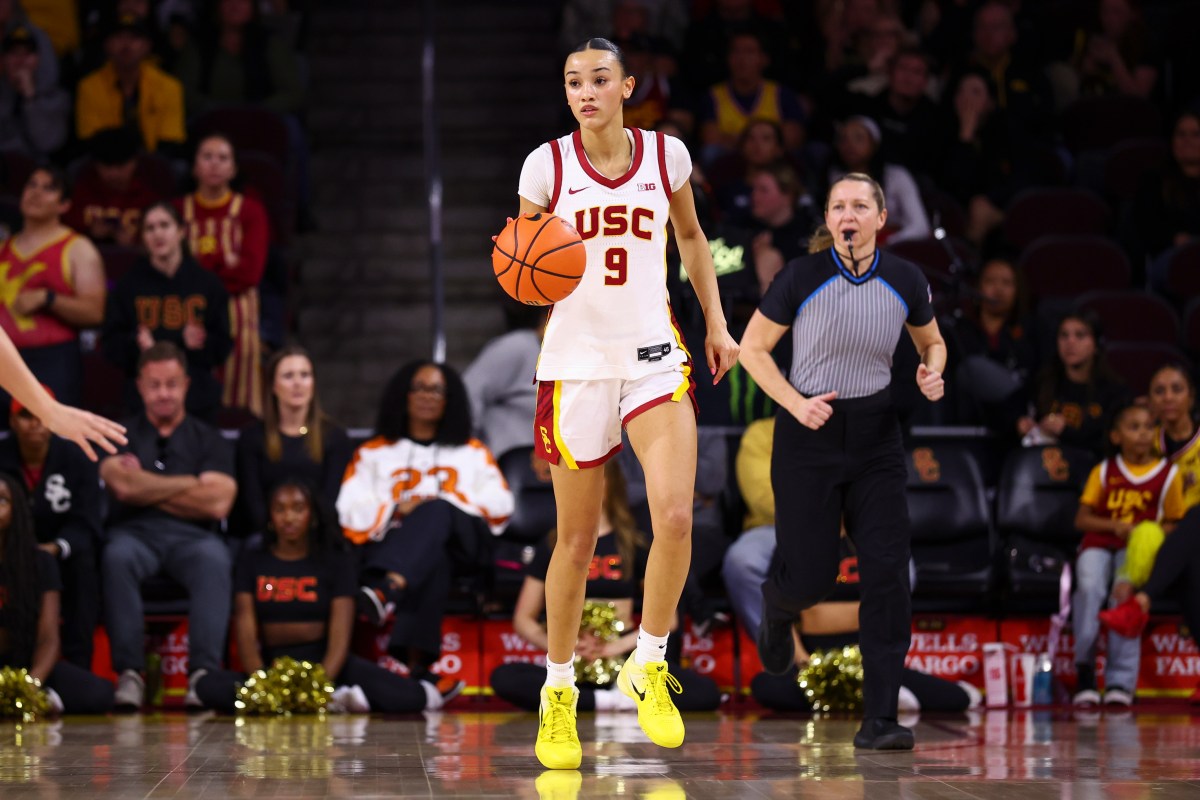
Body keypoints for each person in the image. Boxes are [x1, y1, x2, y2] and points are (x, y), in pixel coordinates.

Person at [513, 37, 739, 769]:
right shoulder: (544, 165)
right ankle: (558, 692)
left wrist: (716, 322)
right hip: (575, 363)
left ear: (626, 87)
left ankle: (649, 657)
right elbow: (524, 265)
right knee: (576, 544)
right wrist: (524, 270)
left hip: (651, 354)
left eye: (599, 79)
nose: (585, 91)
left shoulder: (666, 155)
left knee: (675, 513)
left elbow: (693, 239)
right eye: (574, 81)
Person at [737, 172, 946, 750]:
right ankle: (778, 608)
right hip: (809, 433)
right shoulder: (800, 276)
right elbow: (751, 350)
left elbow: (931, 341)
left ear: (881, 218)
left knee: (886, 573)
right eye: (837, 207)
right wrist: (795, 404)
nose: (847, 215)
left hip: (877, 434)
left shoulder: (906, 277)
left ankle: (879, 718)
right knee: (813, 574)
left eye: (859, 205)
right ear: (828, 220)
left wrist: (932, 369)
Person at [194, 479, 462, 714]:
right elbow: (246, 632)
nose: (289, 518)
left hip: (330, 665)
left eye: (298, 509)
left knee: (412, 697)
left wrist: (317, 684)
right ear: (269, 517)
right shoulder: (252, 560)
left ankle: (312, 698)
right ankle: (330, 702)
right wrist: (263, 683)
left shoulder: (334, 561)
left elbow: (340, 637)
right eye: (280, 509)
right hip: (273, 665)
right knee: (206, 687)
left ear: (312, 516)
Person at [490, 459, 720, 713]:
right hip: (569, 663)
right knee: (504, 677)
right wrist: (565, 648)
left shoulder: (634, 543)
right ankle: (611, 702)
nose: (587, 486)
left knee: (705, 694)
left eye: (597, 477)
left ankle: (607, 696)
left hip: (623, 660)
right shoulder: (553, 544)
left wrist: (613, 648)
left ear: (613, 484)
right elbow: (524, 618)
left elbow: (670, 620)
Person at [336, 360, 512, 677]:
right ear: (403, 395)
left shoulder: (472, 452)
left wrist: (438, 502)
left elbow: (500, 504)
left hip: (466, 547)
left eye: (437, 390)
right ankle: (420, 669)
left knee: (437, 511)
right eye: (419, 387)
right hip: (410, 549)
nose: (427, 396)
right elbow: (349, 509)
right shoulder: (374, 452)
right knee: (433, 557)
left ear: (450, 400)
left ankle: (387, 587)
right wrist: (396, 507)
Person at [100, 341, 237, 711]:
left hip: (193, 539)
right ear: (140, 385)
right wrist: (192, 484)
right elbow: (121, 486)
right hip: (134, 536)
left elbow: (219, 501)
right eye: (155, 384)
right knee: (115, 556)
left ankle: (202, 676)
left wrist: (144, 484)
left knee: (215, 558)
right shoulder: (119, 433)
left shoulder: (209, 439)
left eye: (172, 384)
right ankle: (130, 673)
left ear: (187, 385)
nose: (164, 393)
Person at [1072, 402, 1184, 707]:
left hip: (1136, 551)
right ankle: (1084, 672)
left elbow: (1176, 523)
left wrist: (1150, 534)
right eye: (1133, 427)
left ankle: (1120, 682)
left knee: (1123, 597)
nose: (1142, 434)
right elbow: (1081, 519)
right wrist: (1115, 525)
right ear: (1116, 436)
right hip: (1098, 543)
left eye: (1148, 427)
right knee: (1090, 589)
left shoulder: (1168, 474)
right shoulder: (1105, 470)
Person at [0, 390, 103, 669]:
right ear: (12, 421)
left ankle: (78, 664)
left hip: (61, 550)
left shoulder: (77, 456)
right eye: (25, 415)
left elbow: (88, 519)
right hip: (6, 552)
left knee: (84, 564)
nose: (34, 423)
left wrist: (56, 547)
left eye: (40, 415)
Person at [102, 201, 232, 421]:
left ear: (180, 231)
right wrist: (136, 344)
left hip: (197, 401)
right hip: (143, 405)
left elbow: (223, 346)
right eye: (150, 228)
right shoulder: (127, 286)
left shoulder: (207, 284)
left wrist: (201, 343)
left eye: (164, 225)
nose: (157, 234)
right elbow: (110, 345)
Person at [0, 473, 113, 714]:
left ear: (16, 510)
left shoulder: (40, 562)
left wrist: (30, 685)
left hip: (27, 665)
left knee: (99, 694)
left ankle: (37, 697)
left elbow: (49, 638)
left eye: (2, 501)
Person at [177, 133, 271, 416]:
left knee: (237, 397)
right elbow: (168, 268)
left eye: (223, 158)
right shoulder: (177, 210)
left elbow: (250, 274)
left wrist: (200, 265)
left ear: (233, 168)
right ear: (194, 167)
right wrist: (223, 262)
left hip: (237, 314)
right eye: (207, 157)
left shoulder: (251, 211)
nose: (215, 164)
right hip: (185, 309)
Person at [0, 166, 106, 409]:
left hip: (53, 361)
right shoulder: (4, 248)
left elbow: (96, 313)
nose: (36, 193)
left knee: (56, 441)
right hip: (5, 358)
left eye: (49, 188)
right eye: (32, 185)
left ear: (64, 205)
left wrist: (49, 298)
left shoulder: (78, 248)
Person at [236, 345, 352, 534]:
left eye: (305, 375)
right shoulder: (252, 438)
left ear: (313, 383)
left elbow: (331, 500)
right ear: (273, 386)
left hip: (319, 536)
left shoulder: (335, 437)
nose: (298, 383)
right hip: (266, 536)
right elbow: (252, 503)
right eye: (288, 376)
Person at [943, 255, 1038, 436]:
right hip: (970, 420)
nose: (998, 290)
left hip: (1018, 420)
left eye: (1007, 283)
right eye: (990, 281)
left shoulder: (1031, 329)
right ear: (978, 288)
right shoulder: (959, 330)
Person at [1017, 312, 1128, 458]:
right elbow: (1010, 410)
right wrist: (1020, 423)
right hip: (1044, 467)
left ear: (1096, 344)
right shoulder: (1043, 381)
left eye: (1080, 335)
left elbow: (1111, 441)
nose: (1070, 342)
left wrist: (1066, 432)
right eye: (1064, 335)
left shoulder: (1115, 391)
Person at [74, 13, 186, 156]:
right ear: (107, 44)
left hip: (155, 162)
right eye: (119, 37)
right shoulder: (88, 86)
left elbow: (171, 140)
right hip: (106, 161)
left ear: (147, 46)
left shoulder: (169, 86)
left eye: (134, 38)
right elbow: (89, 139)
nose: (126, 44)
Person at [697, 31, 806, 164]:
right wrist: (763, 140)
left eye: (749, 52)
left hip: (774, 163)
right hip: (730, 162)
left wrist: (733, 138)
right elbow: (710, 139)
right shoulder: (713, 95)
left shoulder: (781, 94)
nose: (741, 59)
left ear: (764, 59)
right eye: (736, 52)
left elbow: (792, 139)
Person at [826, 115, 930, 245]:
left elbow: (920, 227)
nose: (849, 145)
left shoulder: (897, 176)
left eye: (858, 138)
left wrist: (888, 241)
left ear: (874, 143)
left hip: (897, 250)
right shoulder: (836, 178)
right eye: (843, 139)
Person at [462, 303, 545, 465]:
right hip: (506, 465)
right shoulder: (518, 346)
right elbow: (469, 394)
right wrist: (468, 452)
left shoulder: (578, 359)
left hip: (556, 466)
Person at [65, 127, 169, 247]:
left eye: (120, 166)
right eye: (107, 167)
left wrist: (135, 242)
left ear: (134, 163)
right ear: (95, 165)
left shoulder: (151, 199)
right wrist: (89, 234)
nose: (114, 174)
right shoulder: (78, 196)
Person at [0, 24, 68, 158]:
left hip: (41, 172)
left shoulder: (58, 99)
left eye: (28, 53)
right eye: (14, 52)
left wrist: (30, 99)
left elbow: (48, 143)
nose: (20, 61)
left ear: (43, 58)